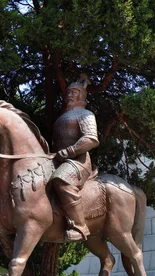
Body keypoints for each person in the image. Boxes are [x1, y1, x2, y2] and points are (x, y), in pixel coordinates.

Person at [51, 77, 99, 241]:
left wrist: (69, 151)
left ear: (82, 95)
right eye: (69, 92)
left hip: (78, 161)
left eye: (74, 92)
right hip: (58, 160)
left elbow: (91, 138)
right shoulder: (61, 117)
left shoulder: (86, 114)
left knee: (61, 180)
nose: (70, 95)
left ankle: (79, 226)